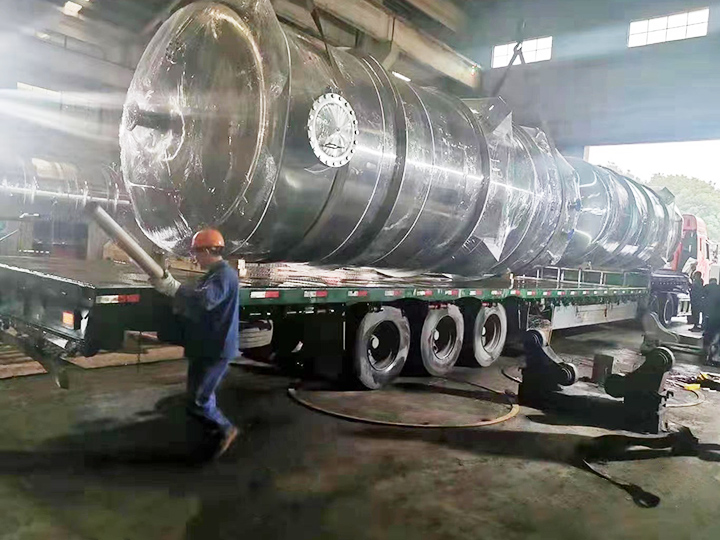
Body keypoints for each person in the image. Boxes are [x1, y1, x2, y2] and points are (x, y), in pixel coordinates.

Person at [151, 228, 240, 459]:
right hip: (206, 345)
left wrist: (175, 288)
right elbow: (197, 296)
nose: (194, 258)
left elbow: (206, 300)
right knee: (196, 396)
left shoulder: (224, 275)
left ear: (209, 251)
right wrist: (172, 290)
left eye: (196, 252)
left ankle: (225, 429)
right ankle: (210, 433)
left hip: (216, 348)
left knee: (199, 399)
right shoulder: (213, 274)